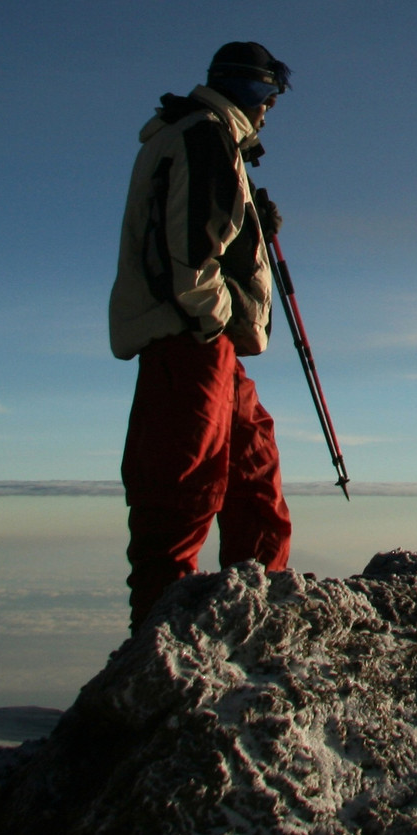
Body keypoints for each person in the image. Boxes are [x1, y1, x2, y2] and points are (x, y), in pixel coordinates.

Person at [108, 41, 297, 631]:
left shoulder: (202, 137)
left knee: (253, 471)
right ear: (252, 90)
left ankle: (256, 616)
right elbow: (189, 260)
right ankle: (159, 643)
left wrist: (251, 232)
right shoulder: (204, 136)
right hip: (189, 342)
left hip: (203, 342)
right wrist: (219, 319)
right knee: (184, 489)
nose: (270, 111)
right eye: (269, 96)